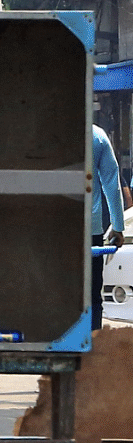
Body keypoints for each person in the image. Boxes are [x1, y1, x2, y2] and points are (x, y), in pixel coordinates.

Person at [94, 124, 126, 329]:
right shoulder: (97, 136)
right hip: (90, 230)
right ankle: (91, 340)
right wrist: (118, 226)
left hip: (51, 228)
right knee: (92, 293)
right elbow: (111, 182)